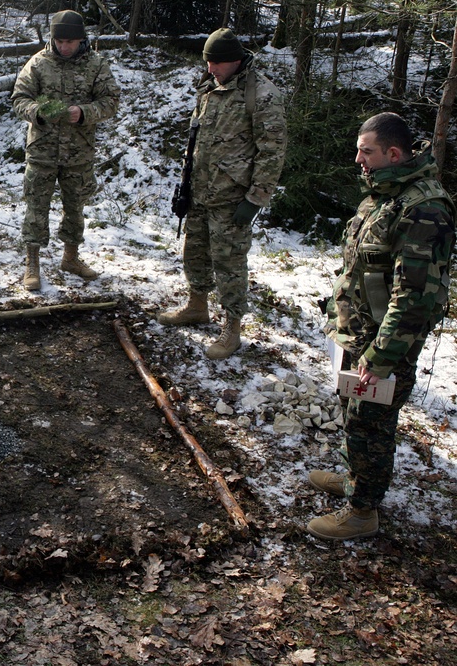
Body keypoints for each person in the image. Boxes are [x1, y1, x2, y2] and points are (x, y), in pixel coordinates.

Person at [307, 113, 454, 540]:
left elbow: (415, 297)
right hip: (360, 332)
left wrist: (383, 355)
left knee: (372, 423)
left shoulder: (423, 207)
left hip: (386, 343)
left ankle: (362, 511)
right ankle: (355, 478)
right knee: (353, 414)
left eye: (366, 151)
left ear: (393, 153)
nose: (358, 159)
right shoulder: (384, 192)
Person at [157, 28, 287, 359]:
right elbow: (195, 140)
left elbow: (272, 152)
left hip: (232, 199)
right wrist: (185, 185)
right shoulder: (208, 89)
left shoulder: (261, 95)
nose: (211, 69)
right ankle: (197, 305)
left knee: (229, 264)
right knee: (195, 253)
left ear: (236, 61)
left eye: (217, 64)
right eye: (208, 63)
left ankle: (231, 327)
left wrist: (255, 199)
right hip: (200, 192)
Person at [11, 10, 120, 291]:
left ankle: (71, 258)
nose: (64, 47)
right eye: (59, 41)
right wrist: (38, 111)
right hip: (42, 151)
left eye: (70, 42)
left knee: (75, 208)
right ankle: (32, 263)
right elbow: (19, 98)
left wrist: (84, 112)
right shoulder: (38, 63)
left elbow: (110, 101)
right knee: (36, 208)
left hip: (79, 152)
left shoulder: (96, 65)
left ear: (81, 40)